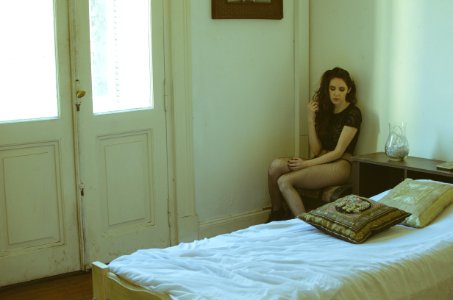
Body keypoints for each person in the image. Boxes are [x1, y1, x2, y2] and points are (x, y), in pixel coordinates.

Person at [267, 67, 362, 221]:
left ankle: (305, 227)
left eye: (341, 89)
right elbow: (317, 150)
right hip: (321, 160)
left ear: (348, 90)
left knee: (284, 181)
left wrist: (306, 164)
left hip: (341, 165)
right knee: (275, 166)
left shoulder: (353, 113)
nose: (336, 93)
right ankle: (277, 214)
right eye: (332, 89)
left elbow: (338, 152)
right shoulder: (326, 111)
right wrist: (310, 118)